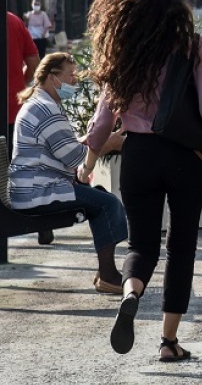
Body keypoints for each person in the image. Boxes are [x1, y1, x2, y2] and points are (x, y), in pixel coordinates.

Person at [81, 0, 202, 361]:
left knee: (142, 244)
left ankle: (131, 293)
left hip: (138, 156)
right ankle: (169, 342)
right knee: (181, 247)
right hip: (184, 157)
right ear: (176, 8)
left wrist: (89, 162)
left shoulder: (125, 49)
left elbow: (103, 120)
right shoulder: (192, 46)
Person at [8, 52, 127, 294]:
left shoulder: (40, 104)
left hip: (33, 186)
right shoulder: (46, 110)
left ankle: (107, 272)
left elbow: (64, 148)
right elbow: (75, 157)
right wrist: (111, 143)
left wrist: (96, 138)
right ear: (52, 78)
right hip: (39, 191)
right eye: (70, 75)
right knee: (108, 204)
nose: (75, 81)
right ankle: (108, 275)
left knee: (101, 197)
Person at [7, 11, 45, 244]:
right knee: (21, 169)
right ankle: (41, 220)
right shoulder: (13, 20)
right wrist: (20, 81)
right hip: (14, 106)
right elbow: (33, 61)